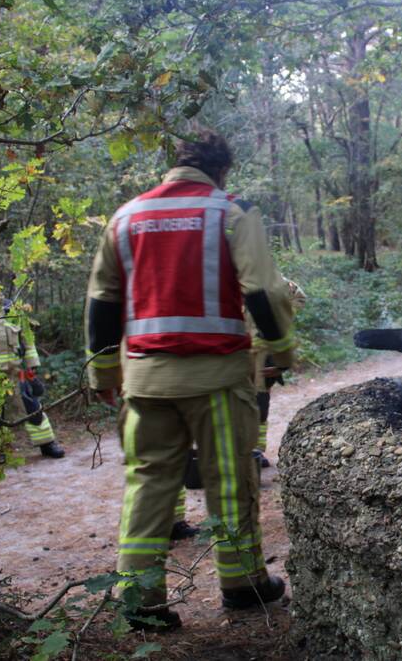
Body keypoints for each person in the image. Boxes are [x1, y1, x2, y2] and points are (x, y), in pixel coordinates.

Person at [84, 130, 296, 632]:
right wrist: (283, 351)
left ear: (175, 166)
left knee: (148, 484)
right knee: (230, 480)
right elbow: (263, 291)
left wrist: (103, 370)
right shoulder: (230, 212)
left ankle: (139, 601)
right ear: (222, 171)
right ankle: (243, 586)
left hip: (143, 382)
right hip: (216, 380)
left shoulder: (126, 215)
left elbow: (102, 300)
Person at [0, 272, 65, 461]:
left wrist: (32, 365)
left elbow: (28, 340)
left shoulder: (11, 309)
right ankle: (0, 451)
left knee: (32, 405)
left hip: (17, 371)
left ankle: (47, 444)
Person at [249, 277, 305, 472]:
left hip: (263, 352)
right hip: (232, 350)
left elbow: (299, 298)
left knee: (260, 402)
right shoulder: (223, 279)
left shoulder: (277, 281)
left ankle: (256, 451)